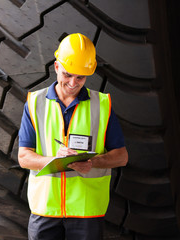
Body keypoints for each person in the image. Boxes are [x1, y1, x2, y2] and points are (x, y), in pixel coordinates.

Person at [18, 33, 128, 240]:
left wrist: (93, 162)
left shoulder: (103, 105)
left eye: (80, 77)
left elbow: (121, 157)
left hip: (86, 211)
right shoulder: (34, 103)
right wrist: (55, 161)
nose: (73, 82)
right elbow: (24, 158)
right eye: (68, 74)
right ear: (57, 66)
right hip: (46, 209)